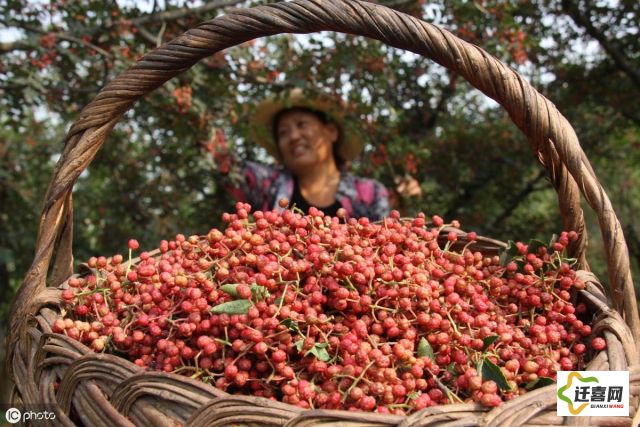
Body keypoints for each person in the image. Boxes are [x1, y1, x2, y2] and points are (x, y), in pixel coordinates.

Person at [208, 88, 391, 221]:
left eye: (301, 124)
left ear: (331, 132)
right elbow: (229, 167)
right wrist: (205, 128)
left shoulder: (369, 193)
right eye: (283, 132)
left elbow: (385, 249)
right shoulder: (269, 184)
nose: (294, 137)